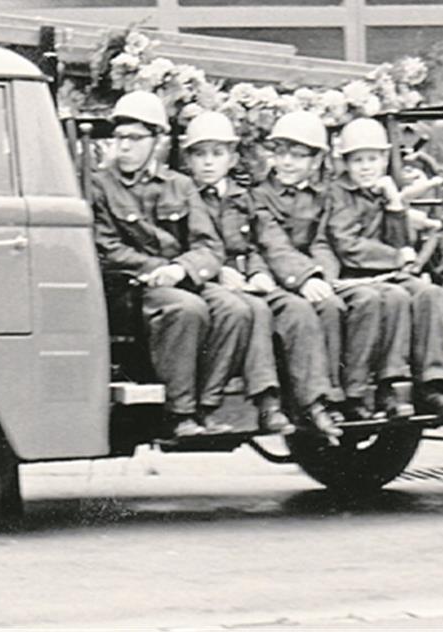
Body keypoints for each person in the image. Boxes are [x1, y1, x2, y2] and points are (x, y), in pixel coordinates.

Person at [91, 92, 293, 438]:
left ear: (157, 141)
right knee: (188, 309)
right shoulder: (100, 185)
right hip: (134, 286)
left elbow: (209, 245)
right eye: (119, 137)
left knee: (237, 309)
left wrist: (182, 268)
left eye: (135, 138)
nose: (124, 146)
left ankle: (208, 407)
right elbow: (107, 248)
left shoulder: (179, 185)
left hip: (183, 277)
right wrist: (158, 269)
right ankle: (179, 412)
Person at [179, 111, 341, 439]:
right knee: (257, 311)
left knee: (296, 309)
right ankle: (267, 402)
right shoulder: (183, 194)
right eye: (200, 154)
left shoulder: (243, 196)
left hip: (249, 279)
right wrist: (218, 272)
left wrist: (258, 273)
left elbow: (258, 241)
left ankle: (315, 402)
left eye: (217, 153)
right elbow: (188, 246)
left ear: (233, 157)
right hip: (207, 282)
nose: (209, 163)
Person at [250, 112, 394, 420]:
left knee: (350, 302)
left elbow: (322, 241)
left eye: (298, 156)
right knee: (320, 307)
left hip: (315, 276)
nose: (287, 162)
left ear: (316, 161)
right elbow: (272, 243)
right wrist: (305, 278)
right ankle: (321, 399)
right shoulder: (260, 195)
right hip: (279, 277)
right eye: (280, 153)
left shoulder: (325, 194)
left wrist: (323, 275)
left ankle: (347, 393)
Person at [318, 118, 443, 418]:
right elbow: (347, 245)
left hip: (385, 274)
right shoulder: (338, 193)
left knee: (428, 293)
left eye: (373, 159)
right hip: (354, 275)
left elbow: (402, 242)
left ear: (385, 159)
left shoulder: (383, 190)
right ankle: (388, 385)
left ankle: (431, 383)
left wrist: (395, 204)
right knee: (394, 298)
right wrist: (397, 258)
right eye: (358, 160)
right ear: (346, 163)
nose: (366, 167)